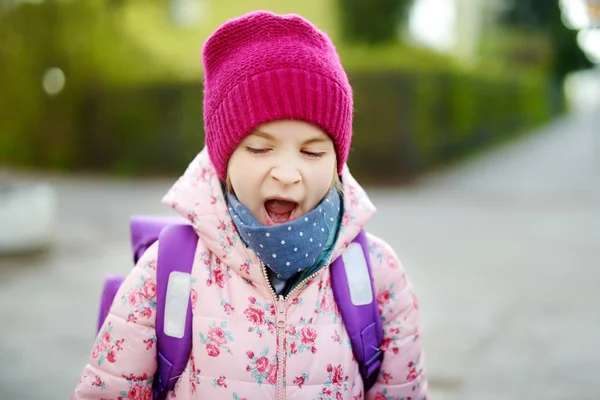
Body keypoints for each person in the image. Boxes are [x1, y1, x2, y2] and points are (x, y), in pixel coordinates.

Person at [73, 10, 428, 400]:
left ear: (337, 162)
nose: (288, 173)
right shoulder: (168, 270)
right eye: (260, 148)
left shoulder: (377, 274)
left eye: (312, 152)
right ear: (223, 159)